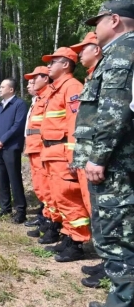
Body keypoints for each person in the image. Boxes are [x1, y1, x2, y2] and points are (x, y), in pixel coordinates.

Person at [81, 0, 134, 307]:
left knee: (117, 238)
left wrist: (98, 156)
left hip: (115, 164)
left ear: (114, 20)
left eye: (97, 21)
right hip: (118, 161)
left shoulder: (122, 54)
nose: (95, 28)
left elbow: (115, 112)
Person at [39, 47, 89, 263]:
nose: (49, 66)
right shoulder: (55, 89)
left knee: (69, 198)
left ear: (66, 64)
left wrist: (72, 157)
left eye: (53, 62)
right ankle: (68, 236)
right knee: (59, 199)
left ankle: (77, 243)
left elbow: (74, 124)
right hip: (51, 152)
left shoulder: (72, 87)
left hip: (62, 153)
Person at [69, 32, 106, 288]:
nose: (80, 53)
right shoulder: (90, 78)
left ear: (97, 48)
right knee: (95, 208)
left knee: (102, 211)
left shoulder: (108, 72)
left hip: (100, 155)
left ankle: (112, 265)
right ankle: (108, 262)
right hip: (87, 153)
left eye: (84, 48)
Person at [0, 78, 28, 223]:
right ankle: (5, 207)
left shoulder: (19, 104)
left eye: (2, 87)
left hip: (11, 148)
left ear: (11, 89)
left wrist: (2, 140)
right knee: (1, 179)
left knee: (14, 179)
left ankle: (21, 211)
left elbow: (17, 126)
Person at [22, 67, 53, 238]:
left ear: (46, 78)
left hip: (43, 149)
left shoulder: (50, 97)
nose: (31, 83)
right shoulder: (38, 99)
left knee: (48, 190)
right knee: (41, 188)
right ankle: (46, 220)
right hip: (34, 148)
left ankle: (51, 224)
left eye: (34, 79)